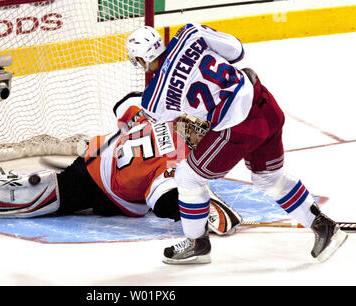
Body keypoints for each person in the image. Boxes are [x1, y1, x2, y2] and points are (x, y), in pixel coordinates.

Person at [126, 24, 348, 264]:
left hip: (238, 127)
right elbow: (237, 52)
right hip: (263, 101)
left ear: (140, 58)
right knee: (269, 178)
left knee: (188, 177)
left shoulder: (152, 99)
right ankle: (325, 227)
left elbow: (174, 126)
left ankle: (197, 243)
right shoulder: (190, 33)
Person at [0, 92, 242, 236]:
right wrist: (201, 213)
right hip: (97, 186)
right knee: (28, 197)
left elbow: (123, 108)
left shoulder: (159, 115)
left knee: (38, 186)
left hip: (95, 161)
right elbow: (165, 200)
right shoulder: (177, 161)